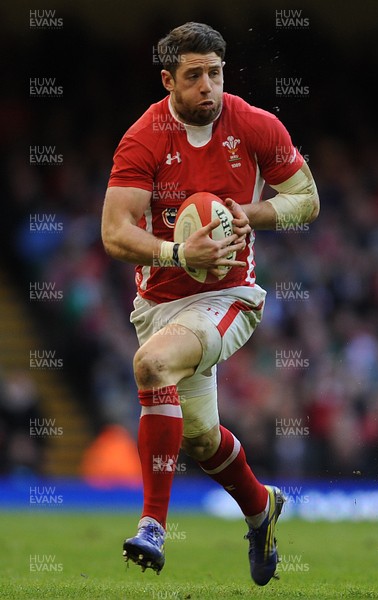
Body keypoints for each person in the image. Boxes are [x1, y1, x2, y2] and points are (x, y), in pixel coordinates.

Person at [101, 22, 319, 587]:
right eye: (193, 75)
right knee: (198, 436)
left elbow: (306, 197)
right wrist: (177, 251)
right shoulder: (144, 137)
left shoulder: (252, 124)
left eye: (215, 74)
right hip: (160, 302)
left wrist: (255, 214)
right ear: (168, 79)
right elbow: (114, 232)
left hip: (229, 296)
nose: (208, 86)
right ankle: (260, 507)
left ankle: (152, 525)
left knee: (151, 366)